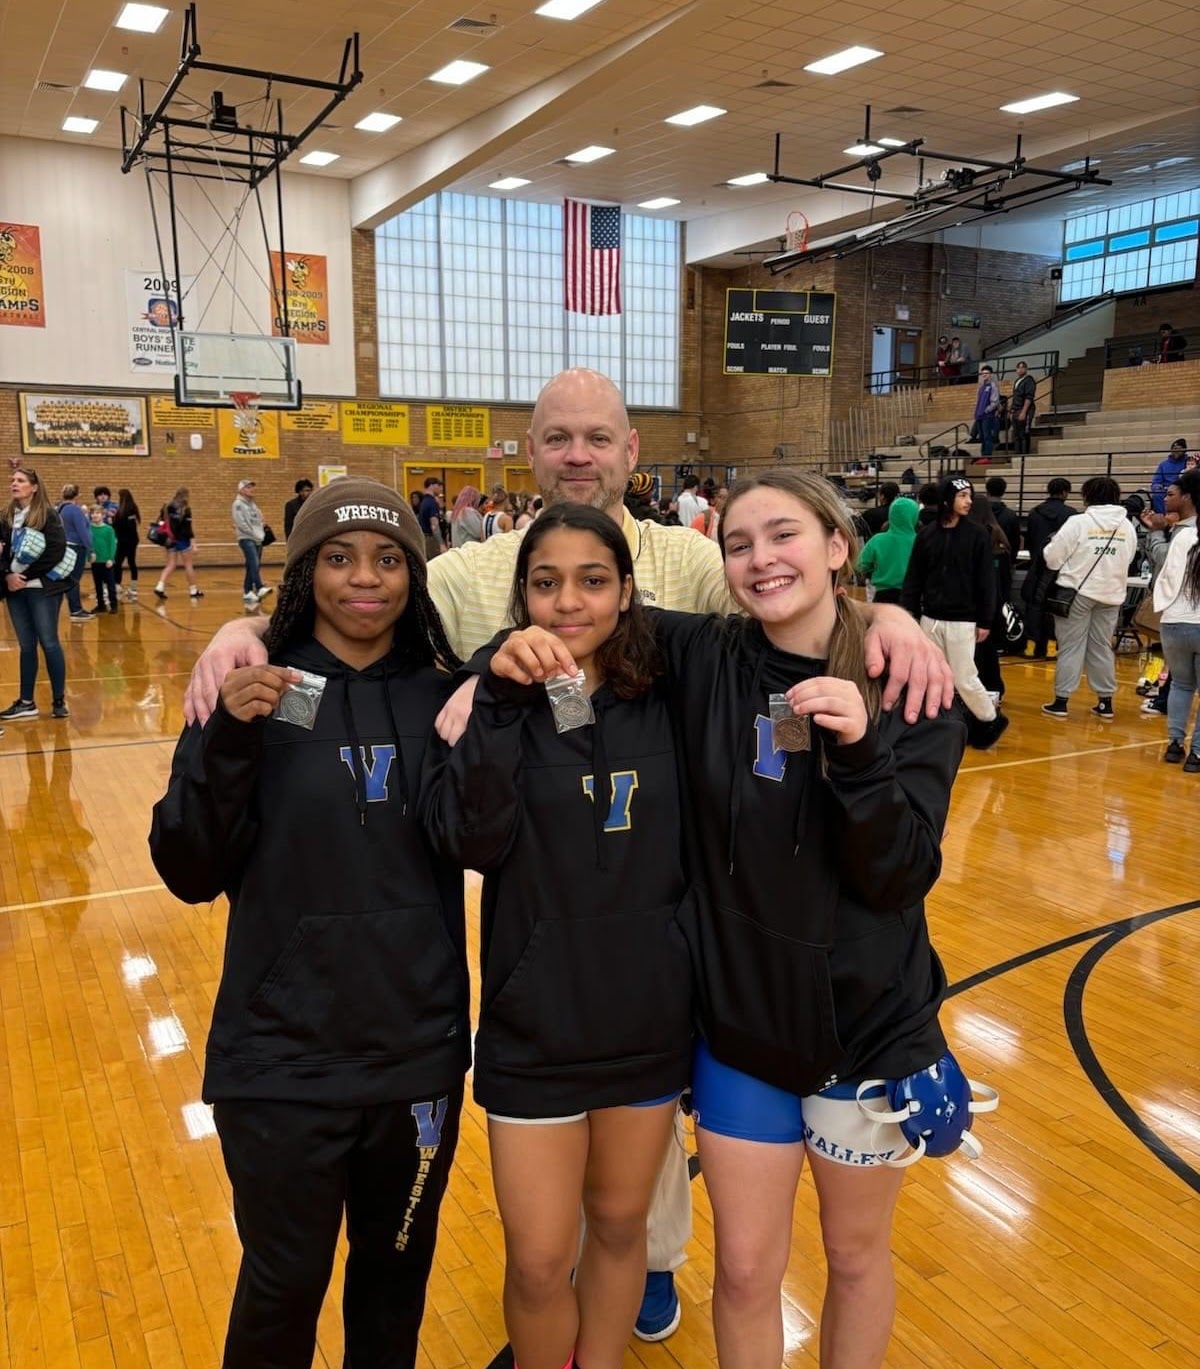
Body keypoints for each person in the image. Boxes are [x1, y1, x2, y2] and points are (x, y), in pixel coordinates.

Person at [177, 366, 953, 1344]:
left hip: (674, 995)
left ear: (632, 452)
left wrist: (883, 618)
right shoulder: (467, 572)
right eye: (558, 438)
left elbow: (787, 607)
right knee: (370, 1268)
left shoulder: (697, 563)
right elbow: (363, 594)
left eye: (599, 436)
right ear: (530, 452)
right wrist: (249, 628)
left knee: (651, 1230)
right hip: (517, 1002)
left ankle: (638, 1289)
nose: (579, 454)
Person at [485, 470, 972, 1369]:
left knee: (856, 1256)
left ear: (835, 547)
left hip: (864, 1031)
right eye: (739, 543)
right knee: (746, 1270)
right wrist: (481, 675)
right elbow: (570, 618)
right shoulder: (705, 654)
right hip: (743, 1031)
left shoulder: (905, 685)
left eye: (783, 535)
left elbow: (902, 874)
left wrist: (865, 734)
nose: (760, 558)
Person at [149, 478, 469, 1369]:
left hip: (415, 1056)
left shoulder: (443, 697)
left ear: (414, 574)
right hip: (279, 1059)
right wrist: (228, 745)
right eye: (337, 558)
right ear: (303, 572)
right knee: (282, 1288)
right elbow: (186, 868)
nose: (363, 579)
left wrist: (493, 701)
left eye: (387, 559)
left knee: (392, 1289)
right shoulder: (248, 685)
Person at [421, 503, 692, 1369]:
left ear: (625, 591)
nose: (567, 601)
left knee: (618, 1228)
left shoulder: (674, 684)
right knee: (540, 1260)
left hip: (646, 1021)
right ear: (521, 595)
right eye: (545, 582)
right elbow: (470, 839)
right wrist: (497, 697)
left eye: (591, 579)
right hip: (533, 1021)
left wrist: (883, 619)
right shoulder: (494, 693)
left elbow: (788, 630)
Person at [903, 477, 1009, 748]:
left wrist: (986, 619)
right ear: (948, 500)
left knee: (964, 677)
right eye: (963, 496)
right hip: (931, 618)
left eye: (970, 496)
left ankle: (990, 719)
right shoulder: (927, 535)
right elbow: (914, 577)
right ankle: (938, 724)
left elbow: (987, 581)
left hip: (964, 620)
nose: (969, 501)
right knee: (930, 674)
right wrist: (909, 613)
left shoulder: (977, 535)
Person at [1040, 475, 1138, 721]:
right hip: (1112, 594)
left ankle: (1061, 701)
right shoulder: (1126, 525)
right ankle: (1105, 702)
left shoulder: (1078, 522)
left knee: (1071, 646)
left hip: (1078, 593)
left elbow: (1053, 559)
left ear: (1087, 496)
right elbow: (1129, 558)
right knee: (1101, 647)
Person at [1, 466, 72, 722]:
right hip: (14, 591)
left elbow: (56, 551)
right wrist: (7, 576)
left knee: (49, 642)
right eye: (12, 480)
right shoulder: (6, 516)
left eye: (20, 480)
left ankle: (58, 700)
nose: (14, 484)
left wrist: (25, 577)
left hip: (42, 591)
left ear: (34, 487)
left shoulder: (48, 515)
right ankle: (26, 702)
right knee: (26, 646)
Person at [1152, 468, 1200, 767]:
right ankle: (1196, 754)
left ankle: (1173, 745)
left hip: (1174, 621)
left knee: (1182, 685)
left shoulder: (1183, 536)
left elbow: (1166, 574)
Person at [967, 494, 1013, 702]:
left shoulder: (974, 537)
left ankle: (978, 691)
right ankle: (995, 688)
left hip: (975, 603)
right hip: (996, 601)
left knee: (974, 651)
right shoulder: (999, 537)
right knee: (989, 649)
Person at [1022, 478, 1075, 658]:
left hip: (1037, 566)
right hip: (1061, 568)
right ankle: (1052, 647)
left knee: (1034, 605)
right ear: (1065, 493)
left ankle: (1031, 646)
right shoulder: (1072, 515)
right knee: (1055, 608)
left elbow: (1028, 540)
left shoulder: (1035, 513)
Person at [857, 495, 918, 605]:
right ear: (915, 515)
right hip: (911, 595)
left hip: (883, 594)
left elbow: (861, 565)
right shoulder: (920, 540)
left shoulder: (878, 540)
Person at [153, 486, 203, 601]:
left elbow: (161, 522)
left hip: (170, 540)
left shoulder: (167, 506)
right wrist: (193, 544)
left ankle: (160, 586)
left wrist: (164, 535)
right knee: (188, 565)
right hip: (182, 540)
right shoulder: (186, 509)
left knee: (170, 564)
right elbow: (188, 529)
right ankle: (193, 590)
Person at [58, 484, 94, 621]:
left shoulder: (60, 509)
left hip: (65, 546)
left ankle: (76, 608)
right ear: (77, 495)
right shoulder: (75, 510)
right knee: (73, 579)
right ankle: (76, 610)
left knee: (69, 578)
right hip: (76, 547)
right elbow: (82, 531)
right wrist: (90, 549)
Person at [233, 478, 271, 607]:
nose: (252, 489)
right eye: (248, 487)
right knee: (254, 562)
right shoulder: (238, 504)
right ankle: (259, 587)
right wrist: (252, 533)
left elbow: (259, 519)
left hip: (257, 538)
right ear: (242, 490)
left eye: (252, 487)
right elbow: (241, 523)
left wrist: (261, 529)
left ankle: (248, 592)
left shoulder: (253, 505)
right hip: (246, 537)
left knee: (252, 564)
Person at [985, 476, 1021, 565]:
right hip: (1002, 561)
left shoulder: (977, 513)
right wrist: (1012, 561)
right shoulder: (1011, 515)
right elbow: (1015, 542)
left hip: (980, 560)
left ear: (987, 491)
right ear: (1003, 492)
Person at [89, 505, 118, 613]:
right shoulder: (89, 528)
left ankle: (113, 605)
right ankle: (101, 605)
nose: (95, 515)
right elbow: (88, 544)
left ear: (103, 515)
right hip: (95, 561)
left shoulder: (108, 529)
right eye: (93, 513)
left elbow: (112, 544)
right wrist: (89, 555)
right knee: (97, 585)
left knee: (110, 584)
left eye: (98, 513)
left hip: (107, 562)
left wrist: (111, 558)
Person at [1151, 439, 1193, 514]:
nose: (1176, 451)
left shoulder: (1189, 462)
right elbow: (1156, 481)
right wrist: (1158, 487)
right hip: (1166, 490)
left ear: (1184, 450)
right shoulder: (1163, 464)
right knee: (1157, 495)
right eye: (1174, 449)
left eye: (1179, 449)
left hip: (1182, 488)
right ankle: (1164, 518)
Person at [113, 487, 140, 600]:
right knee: (132, 563)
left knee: (117, 563)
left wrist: (112, 522)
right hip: (133, 540)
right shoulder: (134, 509)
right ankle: (134, 588)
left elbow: (117, 527)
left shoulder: (121, 512)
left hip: (123, 541)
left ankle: (117, 585)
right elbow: (134, 525)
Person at [972, 366, 1001, 459]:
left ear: (991, 374)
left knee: (987, 436)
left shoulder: (993, 386)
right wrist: (977, 412)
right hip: (979, 416)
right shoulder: (982, 387)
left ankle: (988, 456)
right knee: (982, 437)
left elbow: (995, 401)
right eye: (983, 373)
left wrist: (986, 410)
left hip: (987, 416)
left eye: (986, 373)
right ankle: (983, 455)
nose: (984, 375)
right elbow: (979, 401)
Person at [1009, 361, 1037, 455]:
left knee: (1023, 433)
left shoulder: (1029, 380)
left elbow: (1029, 397)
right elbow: (1015, 397)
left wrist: (1024, 412)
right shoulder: (1017, 381)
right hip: (1016, 409)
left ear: (1026, 369)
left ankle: (1024, 454)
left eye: (1022, 367)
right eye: (1018, 368)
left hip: (1025, 409)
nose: (1020, 369)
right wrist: (1011, 410)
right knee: (1016, 434)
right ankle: (1017, 453)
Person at [417, 477, 446, 559]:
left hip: (424, 538)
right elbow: (434, 525)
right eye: (438, 486)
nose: (440, 489)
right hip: (432, 539)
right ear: (431, 486)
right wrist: (441, 544)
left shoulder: (424, 501)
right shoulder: (431, 503)